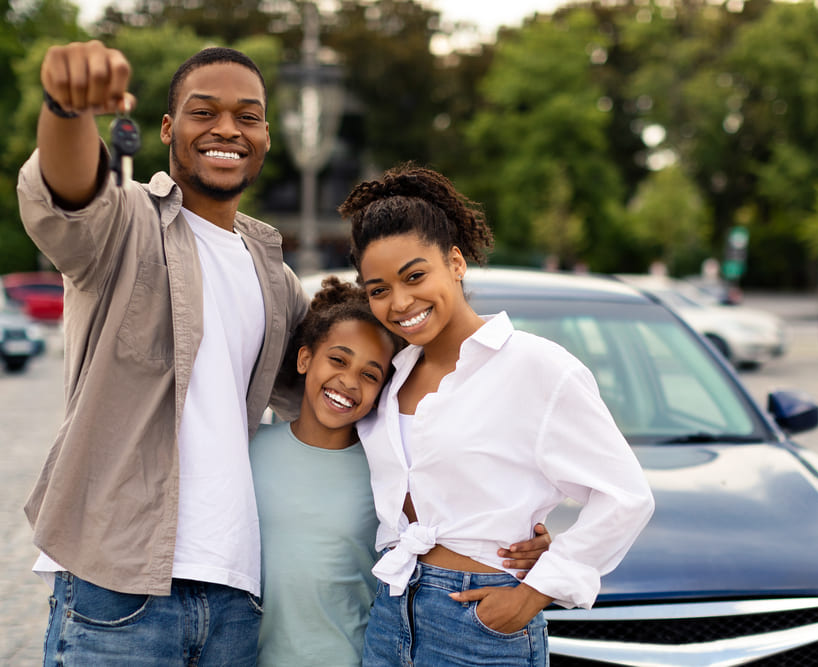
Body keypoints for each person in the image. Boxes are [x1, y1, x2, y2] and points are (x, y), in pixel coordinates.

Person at [17, 41, 308, 664]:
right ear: (168, 129)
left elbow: (341, 401)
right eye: (204, 112)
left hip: (238, 593)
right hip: (116, 587)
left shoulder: (274, 275)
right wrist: (66, 107)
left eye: (248, 116)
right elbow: (69, 193)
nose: (227, 128)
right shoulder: (125, 223)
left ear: (264, 136)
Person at [338, 164, 656, 665]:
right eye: (378, 289)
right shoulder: (389, 375)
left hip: (479, 620)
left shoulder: (535, 367)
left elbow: (626, 497)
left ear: (457, 263)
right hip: (392, 610)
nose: (400, 302)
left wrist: (537, 592)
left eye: (415, 276)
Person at [251, 276, 553, 667]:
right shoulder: (250, 451)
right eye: (338, 360)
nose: (348, 381)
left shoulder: (390, 470)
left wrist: (531, 546)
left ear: (385, 389)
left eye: (370, 375)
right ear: (305, 358)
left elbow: (456, 527)